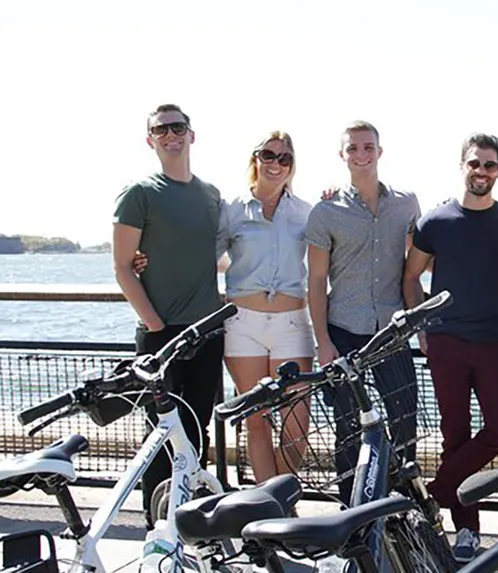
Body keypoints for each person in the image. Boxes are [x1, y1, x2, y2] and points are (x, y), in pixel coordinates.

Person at [402, 133, 498, 563]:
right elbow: (411, 277)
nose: (482, 172)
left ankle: (439, 489)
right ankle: (466, 529)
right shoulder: (436, 222)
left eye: (490, 165)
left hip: (494, 342)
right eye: (475, 164)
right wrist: (422, 330)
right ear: (462, 166)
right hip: (447, 342)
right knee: (455, 435)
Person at [111, 104, 224, 529]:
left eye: (178, 127)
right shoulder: (139, 193)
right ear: (150, 140)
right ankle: (158, 526)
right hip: (161, 336)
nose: (170, 134)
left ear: (192, 135)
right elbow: (122, 266)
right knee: (160, 436)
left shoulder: (211, 195)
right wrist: (156, 327)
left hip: (207, 332)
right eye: (161, 129)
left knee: (197, 429)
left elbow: (219, 253)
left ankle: (193, 520)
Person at [304, 120, 422, 505]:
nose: (361, 154)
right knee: (348, 427)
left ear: (379, 152)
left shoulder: (407, 204)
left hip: (391, 330)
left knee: (404, 420)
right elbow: (317, 280)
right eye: (352, 148)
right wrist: (322, 341)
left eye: (368, 147)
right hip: (343, 330)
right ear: (342, 155)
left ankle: (402, 504)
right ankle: (350, 509)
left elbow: (418, 264)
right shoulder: (326, 211)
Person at [214, 131, 315, 483]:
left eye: (284, 158)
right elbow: (202, 259)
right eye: (268, 155)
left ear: (292, 166)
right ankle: (271, 511)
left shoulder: (308, 213)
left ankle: (281, 496)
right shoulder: (230, 211)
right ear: (255, 159)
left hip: (293, 324)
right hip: (243, 324)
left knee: (296, 427)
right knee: (257, 422)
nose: (275, 163)